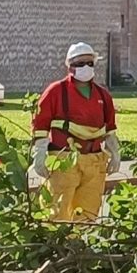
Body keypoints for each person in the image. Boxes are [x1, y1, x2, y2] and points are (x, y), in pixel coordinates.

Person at [33, 42, 119, 222]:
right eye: (80, 64)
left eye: (89, 63)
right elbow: (40, 125)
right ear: (69, 66)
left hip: (94, 162)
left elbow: (109, 129)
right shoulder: (56, 92)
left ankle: (78, 248)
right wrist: (40, 154)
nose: (85, 67)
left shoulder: (103, 95)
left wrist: (115, 152)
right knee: (57, 212)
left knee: (88, 213)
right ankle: (56, 248)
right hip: (63, 160)